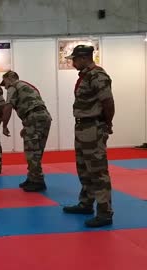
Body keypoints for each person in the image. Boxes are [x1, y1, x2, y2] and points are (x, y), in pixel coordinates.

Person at [62, 45, 115, 227]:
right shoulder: (85, 76)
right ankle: (86, 203)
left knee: (98, 170)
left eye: (75, 59)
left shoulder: (97, 75)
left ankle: (105, 212)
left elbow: (108, 101)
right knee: (84, 167)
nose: (73, 63)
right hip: (83, 127)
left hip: (93, 126)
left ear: (84, 58)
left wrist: (107, 124)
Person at [0, 71, 52, 192]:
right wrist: (26, 125)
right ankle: (32, 178)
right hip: (42, 117)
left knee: (32, 151)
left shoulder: (14, 86)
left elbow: (8, 107)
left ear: (10, 78)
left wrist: (4, 125)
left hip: (34, 118)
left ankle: (37, 181)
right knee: (36, 149)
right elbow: (33, 105)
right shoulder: (26, 86)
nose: (5, 86)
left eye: (5, 83)